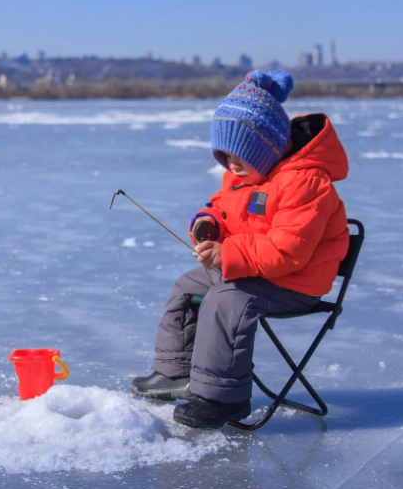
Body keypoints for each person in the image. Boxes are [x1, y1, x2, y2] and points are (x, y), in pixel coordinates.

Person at [130, 70, 350, 429]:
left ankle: (223, 397)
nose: (230, 164)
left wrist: (227, 256)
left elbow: (288, 250)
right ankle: (177, 373)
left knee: (227, 300)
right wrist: (207, 225)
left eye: (239, 155)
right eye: (224, 154)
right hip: (254, 271)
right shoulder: (243, 176)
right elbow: (220, 208)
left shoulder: (305, 183)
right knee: (189, 287)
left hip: (294, 283)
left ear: (266, 149)